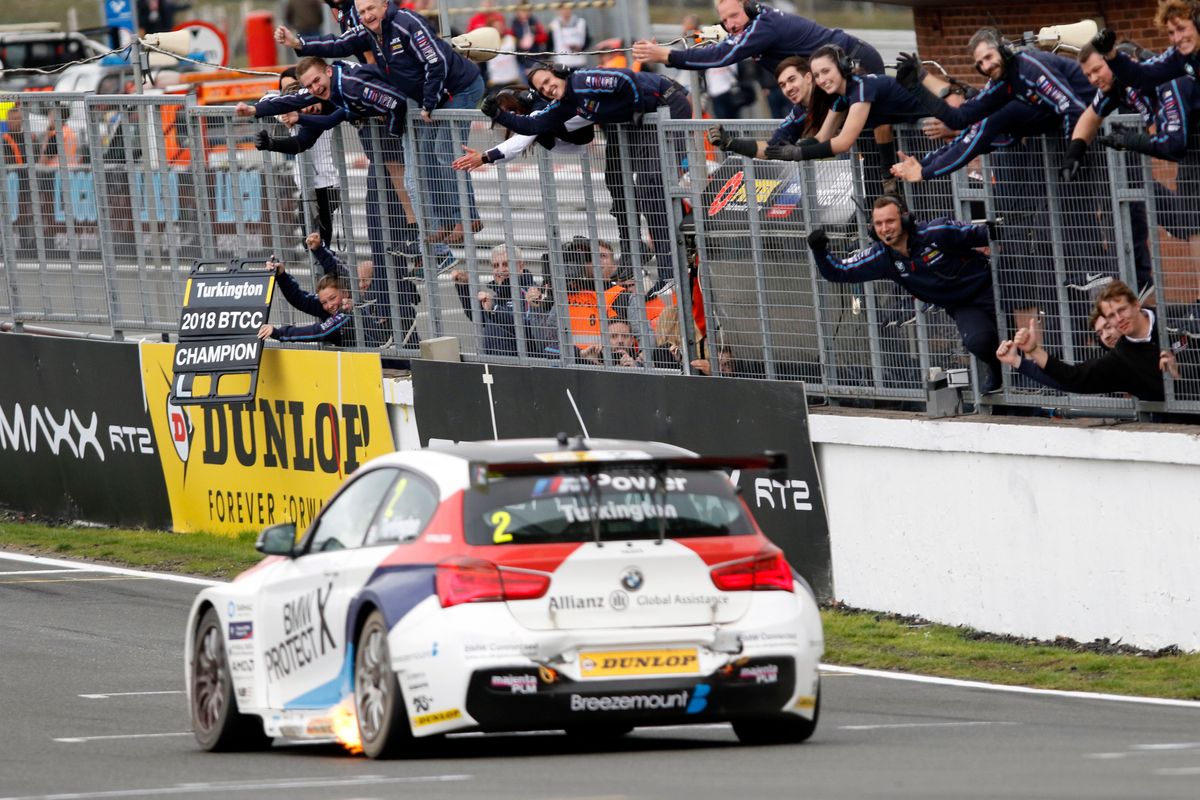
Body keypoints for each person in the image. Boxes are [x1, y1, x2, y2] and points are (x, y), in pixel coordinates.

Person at [277, 0, 485, 245]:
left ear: (385, 5)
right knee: (425, 154)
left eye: (371, 9)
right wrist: (299, 43)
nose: (366, 15)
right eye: (362, 12)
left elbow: (436, 62)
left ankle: (468, 218)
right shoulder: (366, 30)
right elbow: (338, 43)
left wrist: (429, 102)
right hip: (433, 97)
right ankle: (444, 222)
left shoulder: (408, 23)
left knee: (443, 150)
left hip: (459, 89)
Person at [484, 64, 691, 294]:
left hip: (665, 104)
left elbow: (626, 78)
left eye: (548, 80)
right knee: (616, 179)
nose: (548, 88)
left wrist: (636, 107)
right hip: (637, 120)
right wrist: (498, 115)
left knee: (650, 183)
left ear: (560, 73)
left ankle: (680, 247)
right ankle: (636, 251)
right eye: (542, 87)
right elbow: (531, 126)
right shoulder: (563, 104)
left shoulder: (583, 80)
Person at [807, 196, 1005, 394]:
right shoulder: (881, 256)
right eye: (878, 224)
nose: (885, 229)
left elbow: (988, 233)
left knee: (1024, 335)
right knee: (979, 341)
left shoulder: (936, 232)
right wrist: (819, 250)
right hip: (963, 306)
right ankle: (999, 373)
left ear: (905, 219)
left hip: (997, 286)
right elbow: (839, 271)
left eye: (890, 221)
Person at [999, 280, 1179, 400]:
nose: (1118, 319)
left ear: (1136, 304)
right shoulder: (1121, 358)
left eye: (1122, 310)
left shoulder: (1174, 318)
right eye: (1111, 317)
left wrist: (1181, 370)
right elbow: (1073, 377)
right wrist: (1032, 351)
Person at [255, 68, 343, 251]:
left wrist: (292, 112)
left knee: (320, 244)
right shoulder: (289, 112)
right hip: (306, 185)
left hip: (326, 184)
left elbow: (300, 143)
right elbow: (265, 100)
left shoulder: (317, 110)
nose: (291, 92)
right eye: (285, 88)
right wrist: (284, 112)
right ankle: (320, 274)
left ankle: (327, 273)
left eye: (295, 87)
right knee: (310, 244)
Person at [707, 56, 829, 159]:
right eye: (782, 85)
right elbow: (771, 148)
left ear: (808, 77)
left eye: (792, 80)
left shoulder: (832, 94)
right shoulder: (799, 112)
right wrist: (731, 143)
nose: (788, 88)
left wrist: (798, 150)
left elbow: (828, 139)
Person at [450, 244, 555, 357]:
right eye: (496, 265)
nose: (500, 270)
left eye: (506, 264)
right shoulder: (499, 295)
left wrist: (495, 310)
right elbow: (478, 318)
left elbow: (531, 333)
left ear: (521, 266)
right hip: (493, 366)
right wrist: (464, 287)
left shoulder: (532, 295)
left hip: (521, 367)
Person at [1092, 1, 1200, 91]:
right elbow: (1141, 75)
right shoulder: (1178, 55)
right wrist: (1110, 53)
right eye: (1171, 33)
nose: (1177, 39)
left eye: (1181, 29)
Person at [259, 253, 357, 347]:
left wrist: (279, 333)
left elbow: (319, 331)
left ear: (345, 292)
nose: (330, 305)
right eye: (324, 302)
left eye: (333, 298)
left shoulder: (351, 311)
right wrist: (281, 275)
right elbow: (300, 299)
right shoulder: (330, 307)